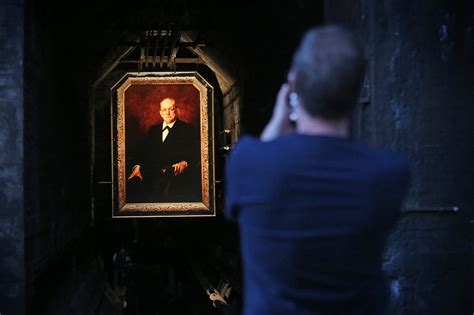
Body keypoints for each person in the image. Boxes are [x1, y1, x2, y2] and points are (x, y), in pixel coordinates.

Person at [225, 26, 410, 315]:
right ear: (357, 88)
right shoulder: (389, 174)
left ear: (293, 83)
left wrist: (279, 121)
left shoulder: (248, 161)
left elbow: (261, 162)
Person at [127, 97, 201, 202]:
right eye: (164, 109)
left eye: (171, 109)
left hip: (175, 179)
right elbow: (143, 152)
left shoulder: (188, 129)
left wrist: (184, 163)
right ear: (160, 112)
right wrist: (137, 167)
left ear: (177, 110)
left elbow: (195, 152)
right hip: (151, 179)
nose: (167, 112)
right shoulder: (153, 130)